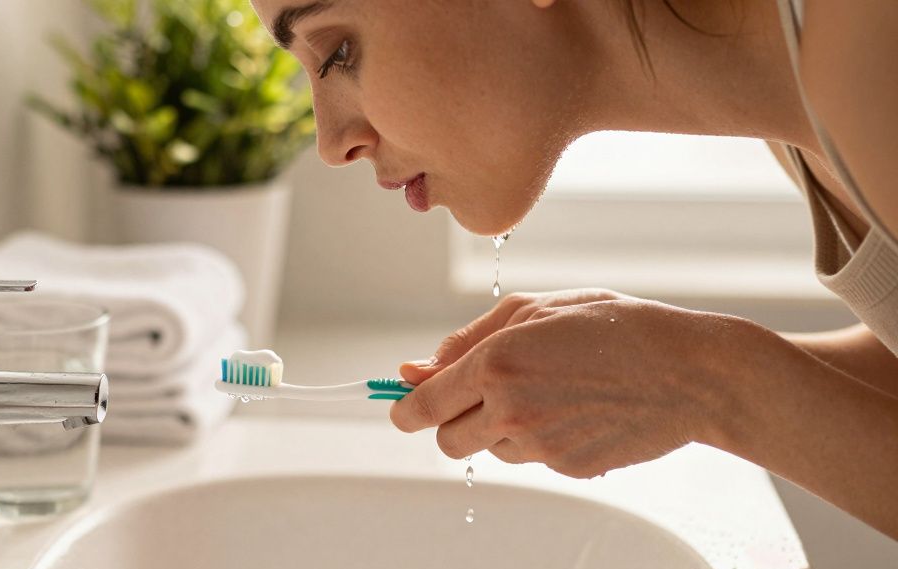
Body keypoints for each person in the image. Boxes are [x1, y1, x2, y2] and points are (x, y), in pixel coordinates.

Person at [247, 0, 898, 540]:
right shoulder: (804, 98)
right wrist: (655, 364)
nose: (331, 143)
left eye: (338, 53)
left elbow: (716, 381)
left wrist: (706, 381)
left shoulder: (867, 47)